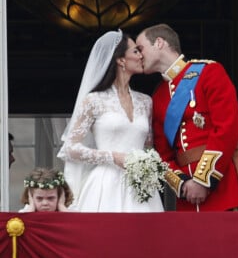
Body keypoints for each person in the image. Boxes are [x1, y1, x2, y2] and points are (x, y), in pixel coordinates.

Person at [136, 23, 238, 211]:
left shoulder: (209, 72)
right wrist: (183, 183)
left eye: (140, 48)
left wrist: (204, 180)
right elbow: (162, 154)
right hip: (187, 198)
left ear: (159, 43)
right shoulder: (158, 96)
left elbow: (227, 129)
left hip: (224, 188)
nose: (138, 55)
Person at [57, 30, 164, 212]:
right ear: (121, 60)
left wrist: (148, 165)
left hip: (141, 187)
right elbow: (70, 148)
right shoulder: (94, 100)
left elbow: (148, 146)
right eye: (135, 51)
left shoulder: (145, 101)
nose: (141, 56)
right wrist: (113, 157)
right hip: (105, 185)